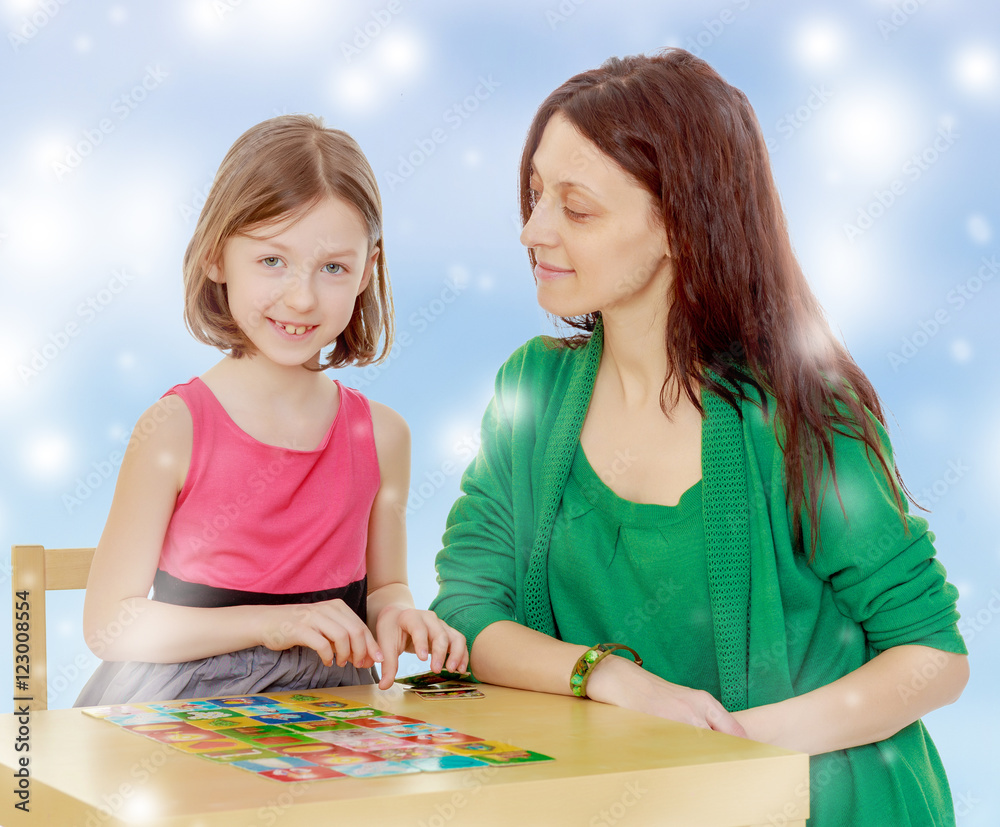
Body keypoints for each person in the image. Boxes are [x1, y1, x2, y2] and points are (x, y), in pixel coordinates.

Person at [429, 50, 968, 825]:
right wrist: (610, 677)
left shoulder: (800, 409)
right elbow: (470, 614)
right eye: (536, 193)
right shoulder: (531, 391)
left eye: (577, 209)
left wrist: (736, 745)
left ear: (682, 223)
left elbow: (933, 657)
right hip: (646, 801)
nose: (532, 229)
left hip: (825, 801)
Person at [77, 114, 467, 706]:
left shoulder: (383, 436)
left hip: (333, 706)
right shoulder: (175, 429)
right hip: (183, 705)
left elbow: (386, 584)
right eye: (271, 261)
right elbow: (109, 625)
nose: (302, 296)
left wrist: (399, 616)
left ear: (369, 269)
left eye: (333, 267)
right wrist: (271, 625)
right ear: (215, 257)